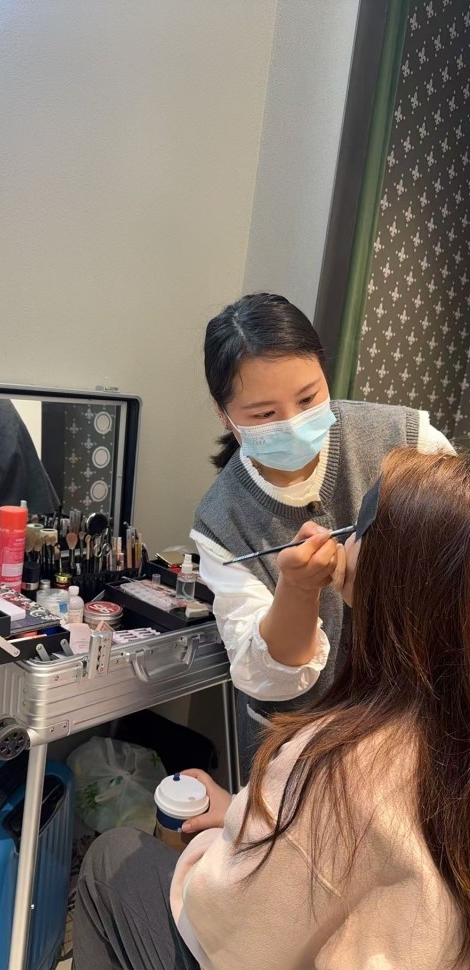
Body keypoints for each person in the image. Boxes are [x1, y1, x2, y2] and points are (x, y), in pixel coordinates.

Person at [65, 449, 470, 970]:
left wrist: (226, 840)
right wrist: (252, 813)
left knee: (112, 860)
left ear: (396, 574)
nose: (343, 536)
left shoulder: (343, 765)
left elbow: (235, 940)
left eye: (361, 527)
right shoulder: (434, 735)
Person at [190, 292, 454, 777]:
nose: (292, 424)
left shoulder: (405, 440)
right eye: (264, 414)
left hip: (401, 729)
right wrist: (297, 589)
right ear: (223, 413)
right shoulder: (221, 521)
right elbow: (268, 678)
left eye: (308, 398)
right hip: (294, 745)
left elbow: (455, 559)